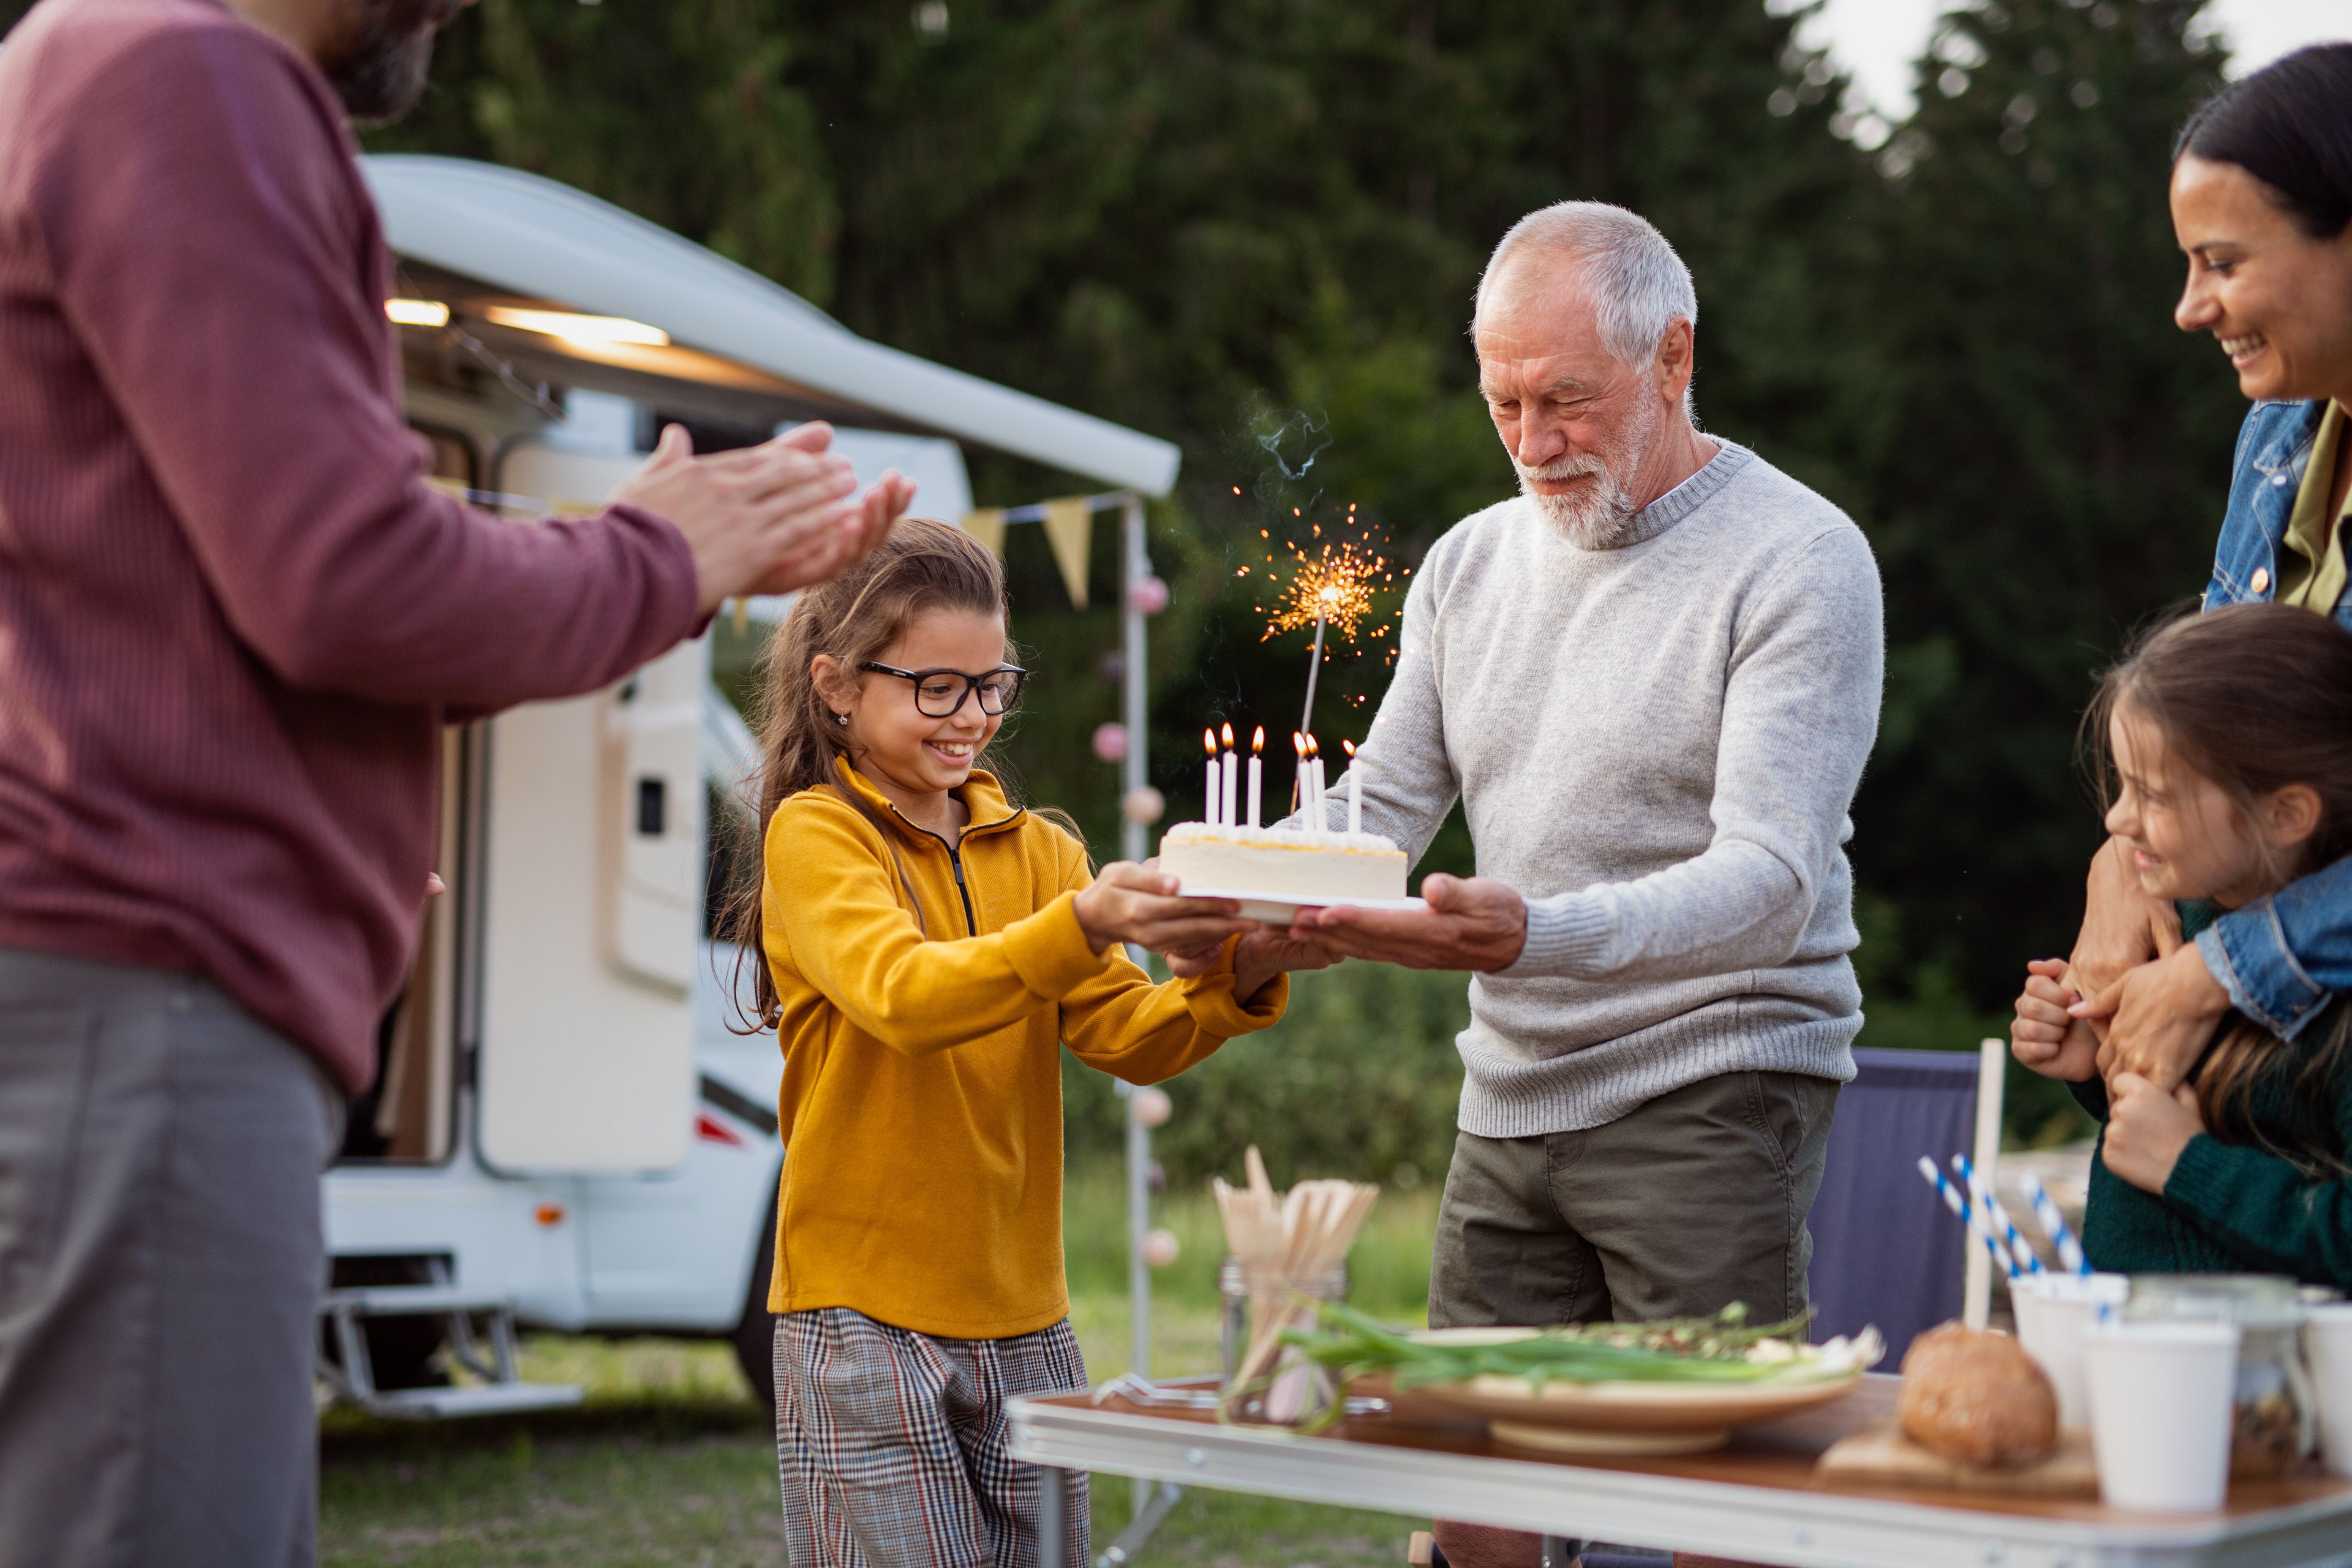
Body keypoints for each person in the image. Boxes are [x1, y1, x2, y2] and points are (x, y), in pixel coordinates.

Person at [0, 0, 911, 1563]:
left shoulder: (79, 62)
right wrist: (658, 555)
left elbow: (243, 593)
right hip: (152, 1008)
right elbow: (346, 584)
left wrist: (616, 558)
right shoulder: (191, 74)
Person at [1189, 202, 1883, 1568]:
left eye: (1565, 399)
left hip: (1712, 1073)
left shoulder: (1797, 560)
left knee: (1715, 1503)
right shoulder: (1465, 563)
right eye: (1502, 401)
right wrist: (1227, 882)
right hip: (1508, 1086)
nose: (1530, 442)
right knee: (1473, 1490)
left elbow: (1765, 881)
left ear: (1671, 357)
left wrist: (1530, 934)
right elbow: (1378, 807)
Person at [735, 520, 1317, 1568]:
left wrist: (1243, 974)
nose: (972, 718)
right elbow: (904, 993)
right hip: (862, 1317)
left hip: (1028, 1318)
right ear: (835, 685)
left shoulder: (1043, 849)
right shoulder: (817, 835)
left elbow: (1129, 1033)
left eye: (991, 684)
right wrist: (1086, 922)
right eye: (936, 688)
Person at [2065, 44, 2352, 1092]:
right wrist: (2124, 863)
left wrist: (2223, 968)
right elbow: (2206, 733)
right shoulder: (2276, 438)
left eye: (2223, 263)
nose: (2191, 307)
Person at [2013, 606, 2352, 1285]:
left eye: (2154, 796)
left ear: (2286, 814)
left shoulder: (2336, 994)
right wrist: (2098, 1067)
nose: (2115, 821)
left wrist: (2188, 1165)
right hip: (2133, 1351)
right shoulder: (2181, 922)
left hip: (2264, 1383)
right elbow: (2184, 1116)